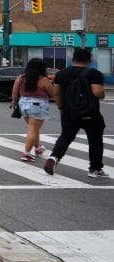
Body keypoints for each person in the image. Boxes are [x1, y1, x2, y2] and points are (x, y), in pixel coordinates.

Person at [45, 48, 107, 178]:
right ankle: (95, 169)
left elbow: (56, 93)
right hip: (90, 112)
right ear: (89, 60)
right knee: (95, 140)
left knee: (66, 136)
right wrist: (102, 94)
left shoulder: (61, 74)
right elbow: (97, 92)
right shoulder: (94, 73)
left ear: (72, 59)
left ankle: (54, 157)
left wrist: (61, 106)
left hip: (69, 112)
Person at [11, 58, 54, 162]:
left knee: (33, 129)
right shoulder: (43, 79)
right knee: (33, 129)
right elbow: (52, 94)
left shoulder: (21, 78)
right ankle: (26, 153)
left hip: (23, 104)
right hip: (37, 105)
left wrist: (14, 102)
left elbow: (14, 92)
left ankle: (38, 148)